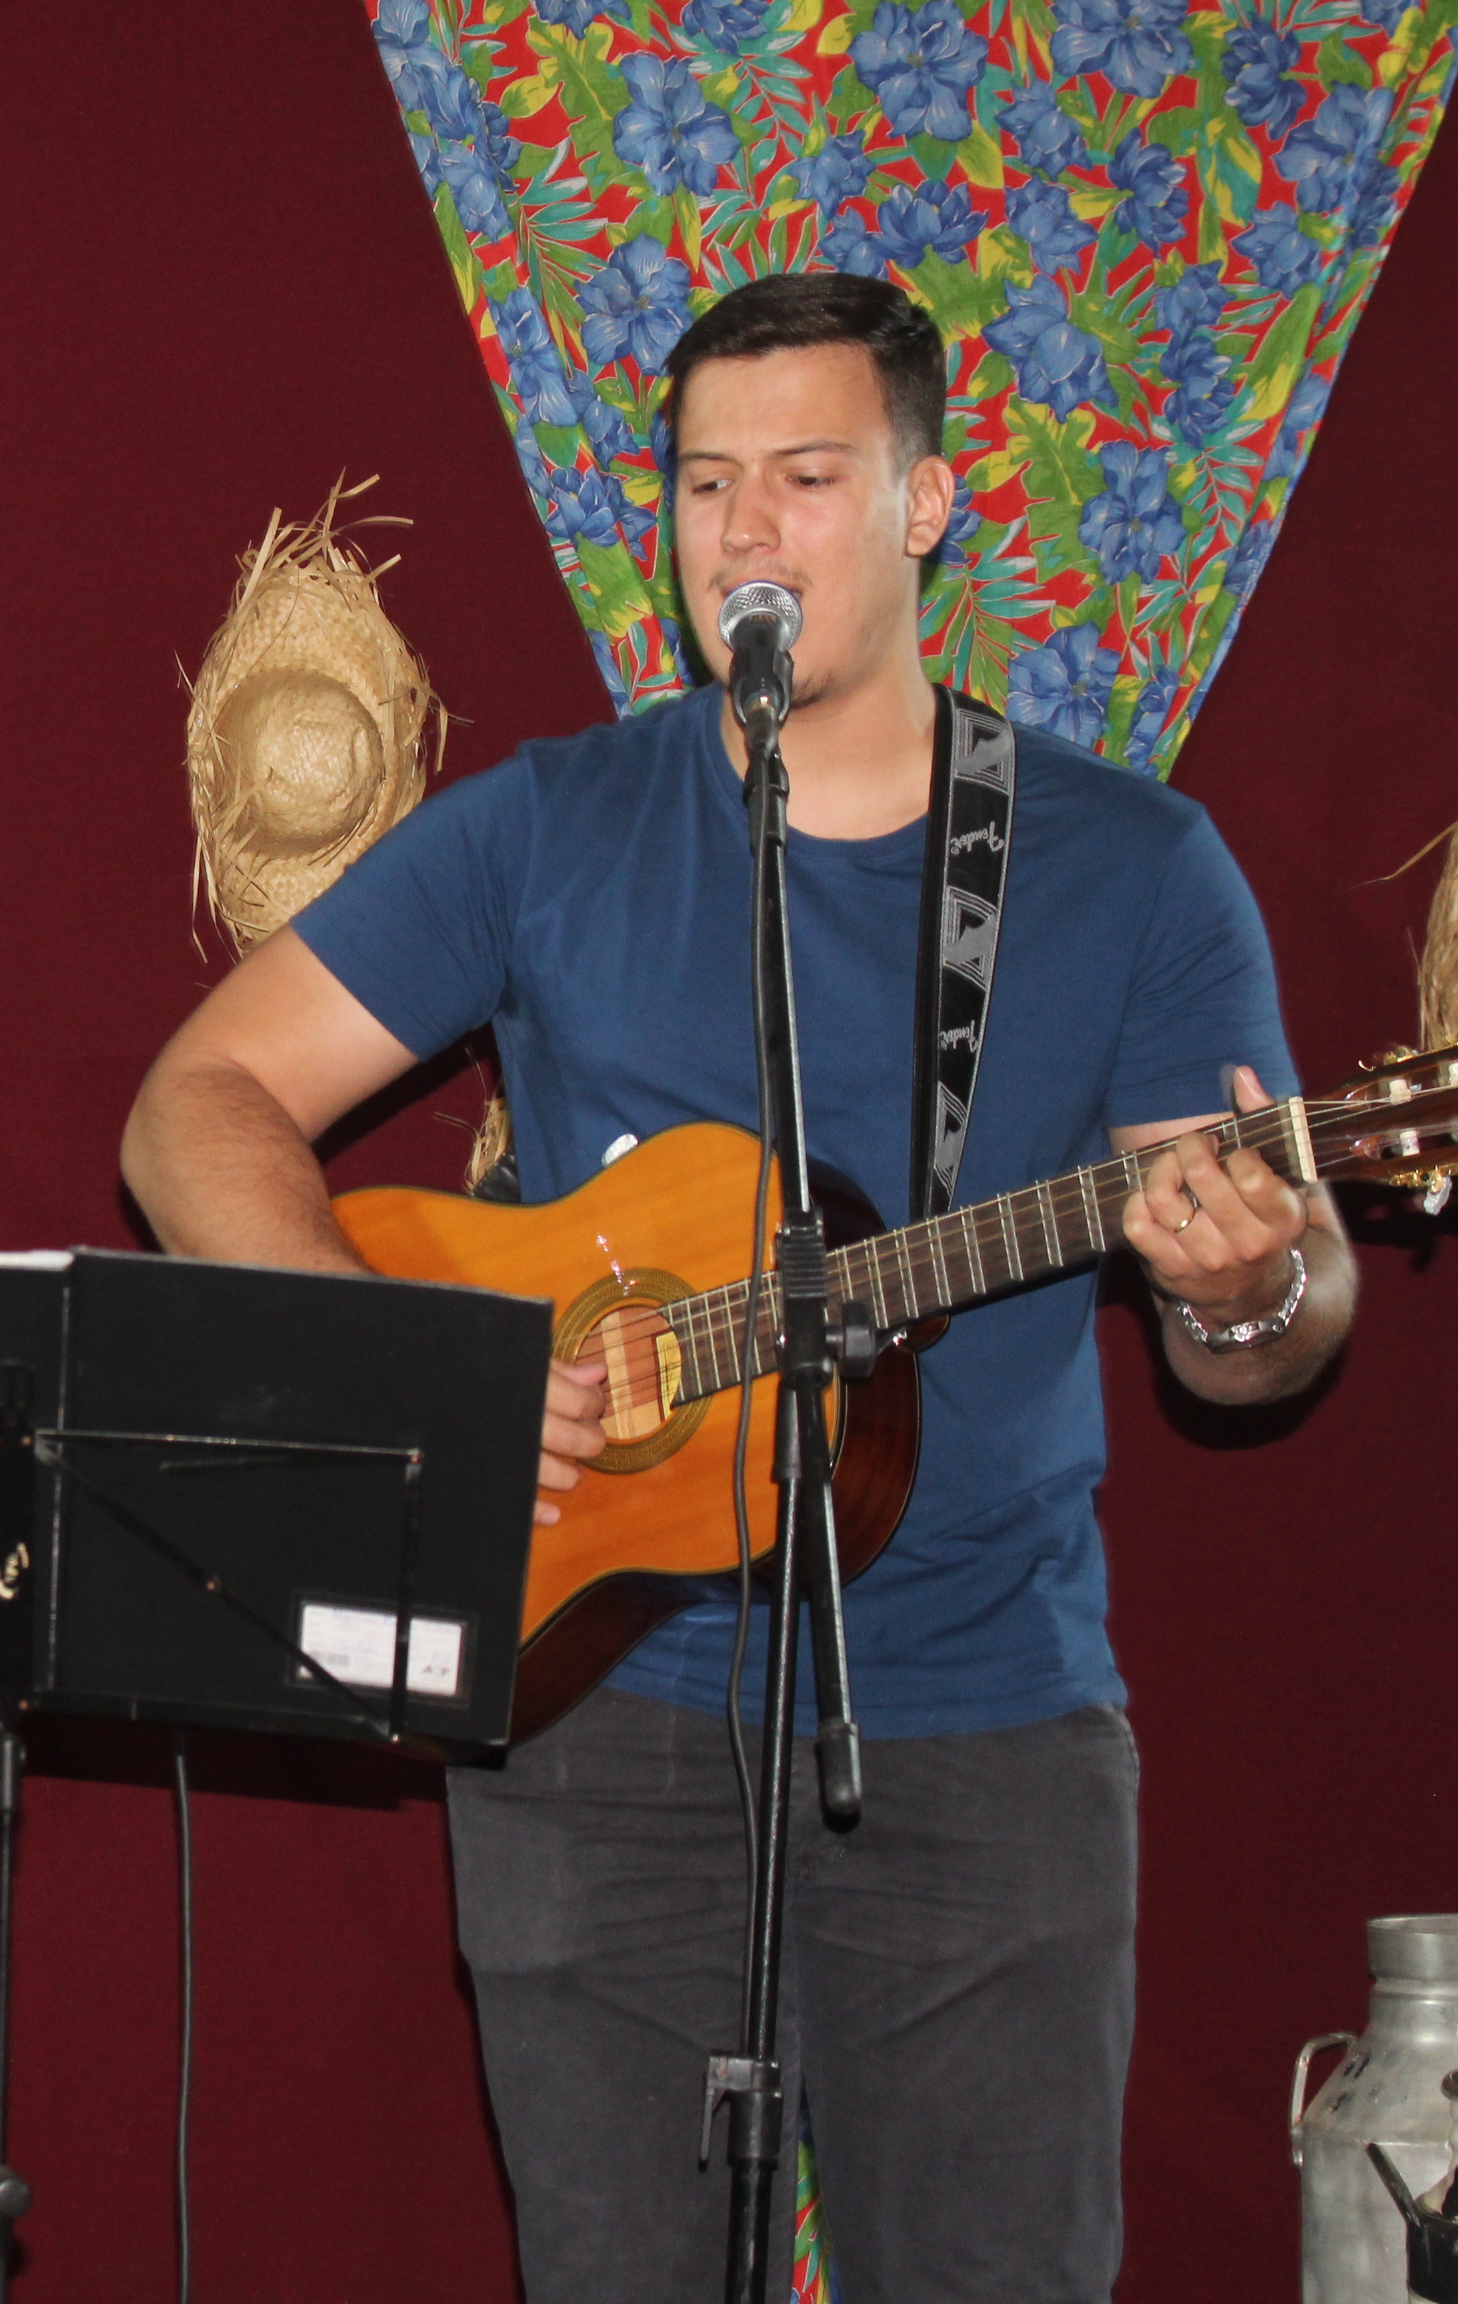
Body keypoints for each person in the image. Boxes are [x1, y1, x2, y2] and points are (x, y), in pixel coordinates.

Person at [119, 271, 1353, 2298]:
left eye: (806, 476)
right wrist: (416, 1372)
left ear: (928, 501)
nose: (744, 531)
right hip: (595, 1719)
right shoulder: (552, 826)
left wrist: (1249, 1283)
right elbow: (198, 1104)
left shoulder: (1133, 868)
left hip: (986, 1732)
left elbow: (1266, 1346)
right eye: (706, 483)